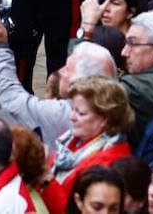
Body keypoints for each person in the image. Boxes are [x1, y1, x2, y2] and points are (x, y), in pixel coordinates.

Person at [41, 76, 134, 213]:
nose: (72, 117)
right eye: (73, 109)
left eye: (81, 113)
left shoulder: (109, 162)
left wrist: (45, 177)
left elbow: (72, 210)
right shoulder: (73, 140)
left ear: (104, 119)